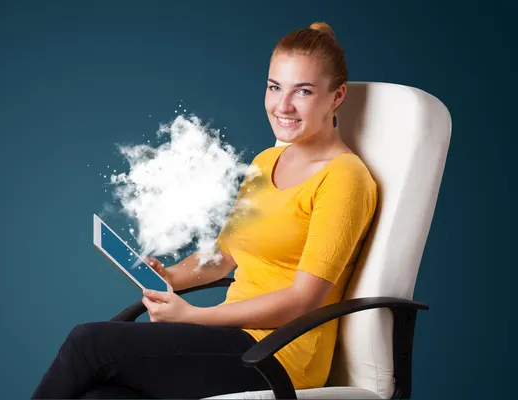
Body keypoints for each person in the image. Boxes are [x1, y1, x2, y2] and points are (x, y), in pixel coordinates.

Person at [31, 21, 378, 399]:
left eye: (304, 91)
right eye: (274, 87)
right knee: (102, 396)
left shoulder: (345, 178)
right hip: (233, 339)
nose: (283, 106)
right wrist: (170, 276)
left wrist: (194, 317)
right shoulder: (266, 162)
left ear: (337, 96)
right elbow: (225, 255)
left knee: (88, 343)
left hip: (280, 355)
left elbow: (302, 301)